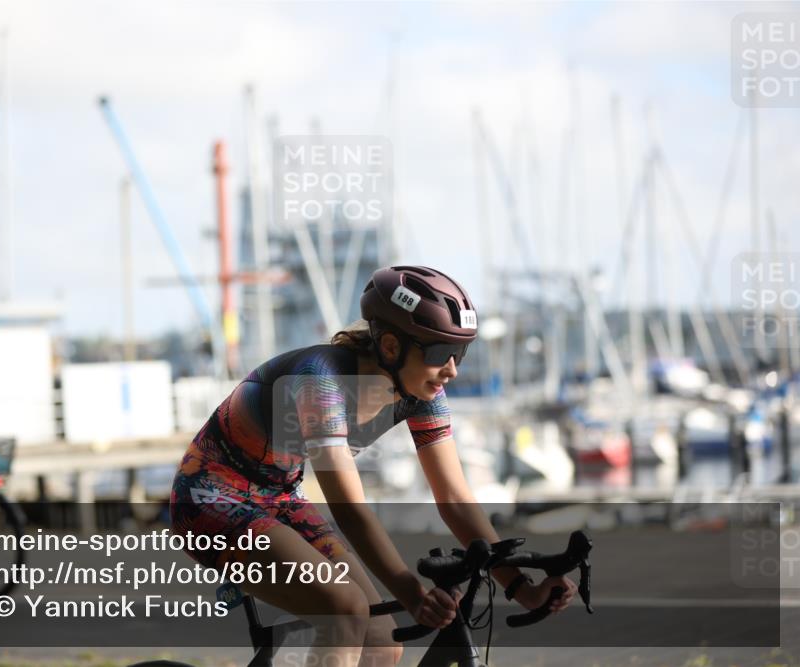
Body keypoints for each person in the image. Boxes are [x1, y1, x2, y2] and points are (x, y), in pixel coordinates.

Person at [170, 266, 577, 667]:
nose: (452, 369)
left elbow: (453, 497)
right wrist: (410, 592)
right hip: (210, 497)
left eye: (460, 352)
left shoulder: (422, 390)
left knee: (382, 643)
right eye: (439, 352)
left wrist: (521, 587)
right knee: (345, 607)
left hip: (278, 498)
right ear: (389, 346)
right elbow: (349, 509)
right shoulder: (319, 380)